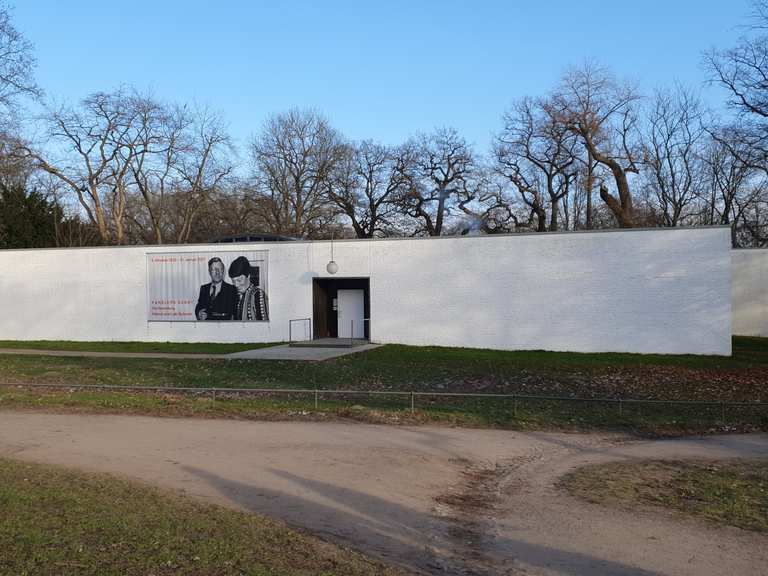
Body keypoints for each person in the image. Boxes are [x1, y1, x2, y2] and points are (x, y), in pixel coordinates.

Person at [228, 256, 269, 321]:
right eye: (233, 281)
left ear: (248, 276)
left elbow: (264, 325)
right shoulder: (236, 295)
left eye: (239, 280)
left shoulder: (258, 295)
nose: (236, 285)